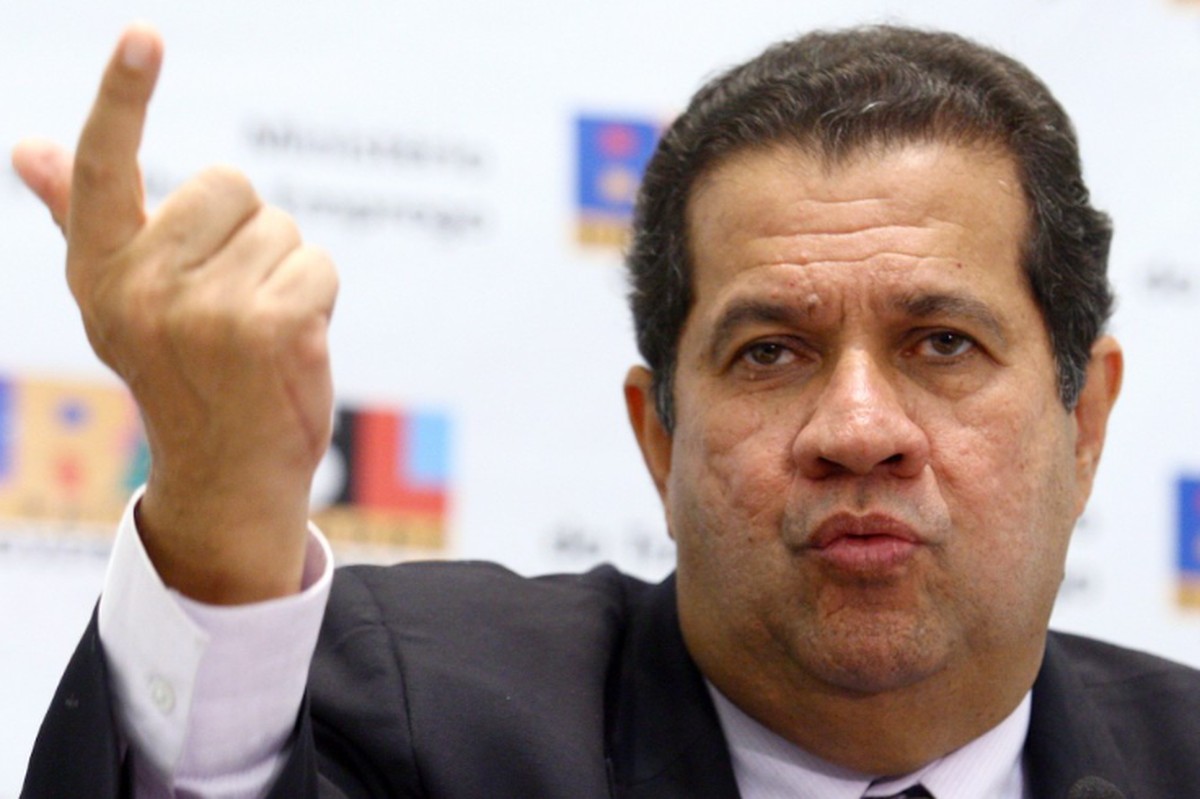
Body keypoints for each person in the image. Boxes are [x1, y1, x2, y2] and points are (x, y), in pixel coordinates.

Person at [16, 20, 1200, 799]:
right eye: (771, 351)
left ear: (1084, 422)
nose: (856, 428)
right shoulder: (413, 715)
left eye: (942, 344)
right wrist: (218, 516)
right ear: (658, 436)